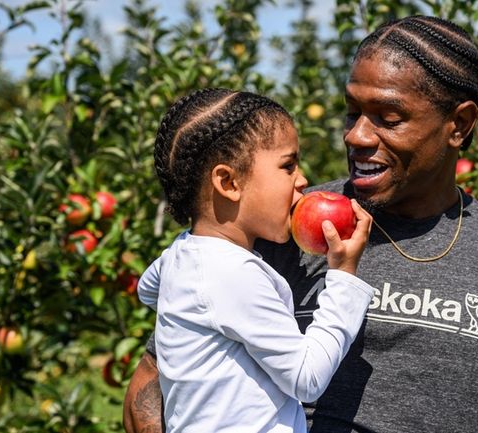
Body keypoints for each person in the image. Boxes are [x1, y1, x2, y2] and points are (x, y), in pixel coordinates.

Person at [124, 15, 478, 433]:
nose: (356, 135)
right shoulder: (275, 225)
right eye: (352, 112)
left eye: (388, 118)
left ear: (459, 124)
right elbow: (157, 378)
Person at [138, 87, 375, 433]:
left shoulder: (181, 256)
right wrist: (343, 277)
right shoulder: (232, 275)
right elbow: (306, 378)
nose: (303, 180)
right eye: (288, 165)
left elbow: (148, 290)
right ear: (228, 182)